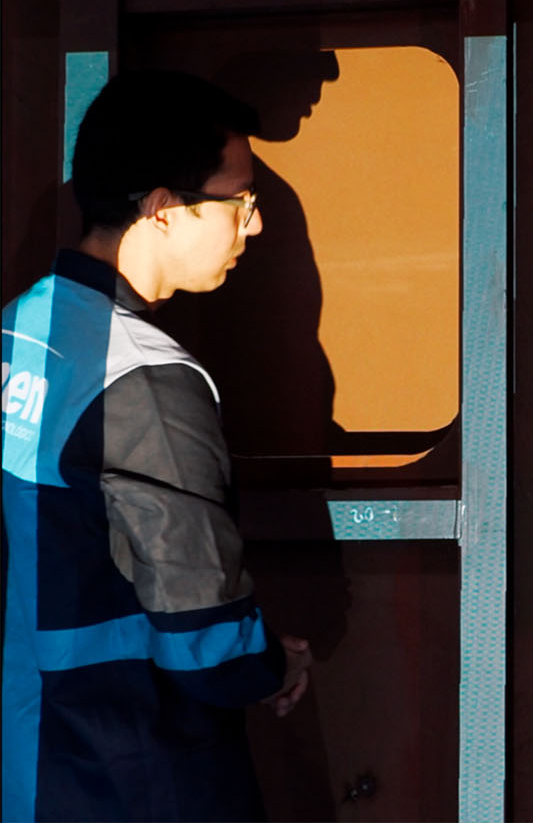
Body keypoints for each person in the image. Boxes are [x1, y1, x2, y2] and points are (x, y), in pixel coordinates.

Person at [1, 70, 311, 821]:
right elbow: (203, 633)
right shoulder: (143, 377)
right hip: (128, 768)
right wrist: (274, 663)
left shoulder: (17, 329)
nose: (254, 227)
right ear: (163, 208)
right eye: (240, 202)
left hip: (30, 759)